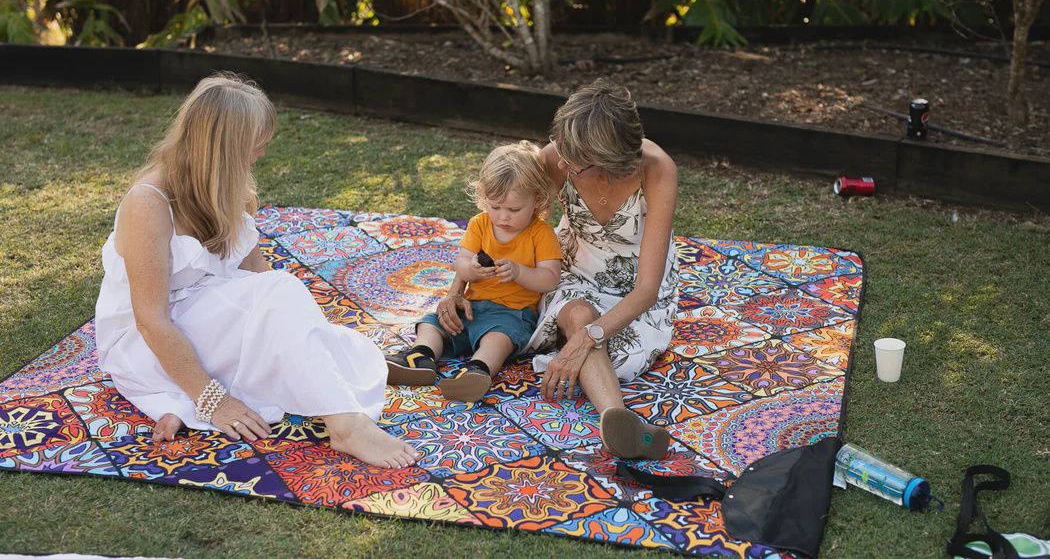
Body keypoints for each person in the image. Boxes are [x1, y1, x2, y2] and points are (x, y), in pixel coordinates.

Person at [94, 74, 418, 469]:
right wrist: (214, 400)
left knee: (289, 305)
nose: (262, 153)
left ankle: (332, 380)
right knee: (285, 307)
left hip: (204, 312)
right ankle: (346, 426)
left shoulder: (225, 185)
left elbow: (258, 275)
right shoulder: (148, 203)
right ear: (224, 149)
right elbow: (150, 320)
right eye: (256, 144)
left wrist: (295, 323)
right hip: (148, 338)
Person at [440, 80, 680, 459]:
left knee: (594, 339)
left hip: (637, 285)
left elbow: (647, 289)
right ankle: (617, 418)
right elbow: (497, 225)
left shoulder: (658, 170)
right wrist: (457, 289)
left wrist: (585, 339)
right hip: (572, 267)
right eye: (560, 148)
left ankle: (619, 424)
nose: (561, 163)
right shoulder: (557, 156)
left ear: (609, 160)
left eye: (575, 161)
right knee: (579, 315)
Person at [385, 141, 562, 402]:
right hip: (471, 307)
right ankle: (420, 357)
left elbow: (550, 279)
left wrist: (519, 272)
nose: (503, 217)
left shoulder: (541, 233)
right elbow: (461, 263)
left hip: (512, 314)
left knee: (497, 339)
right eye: (495, 207)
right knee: (432, 323)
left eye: (514, 210)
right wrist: (472, 269)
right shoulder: (480, 224)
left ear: (537, 200)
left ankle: (478, 370)